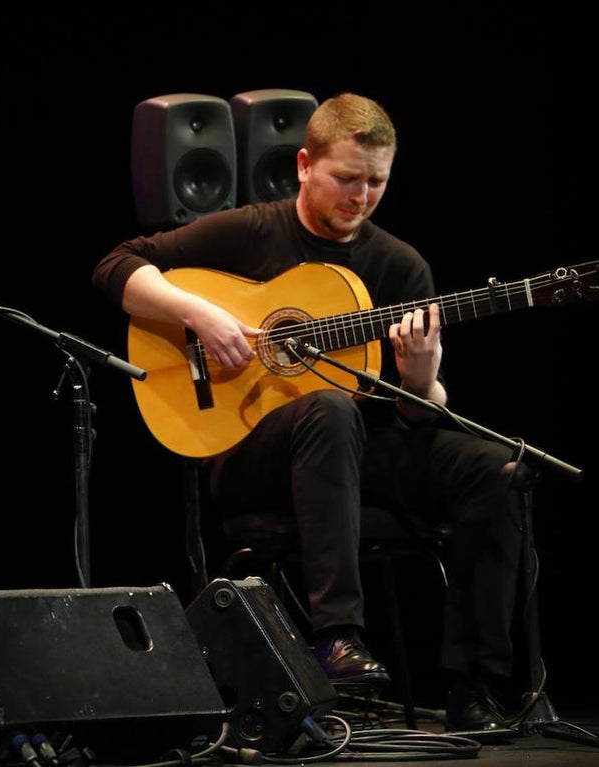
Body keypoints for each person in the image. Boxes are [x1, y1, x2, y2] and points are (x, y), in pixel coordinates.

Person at [93, 93, 525, 735]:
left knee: (499, 469)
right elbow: (115, 266)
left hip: (362, 452)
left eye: (376, 181)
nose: (362, 196)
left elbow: (415, 416)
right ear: (303, 165)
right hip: (253, 456)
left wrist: (422, 381)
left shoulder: (401, 267)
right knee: (327, 408)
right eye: (346, 178)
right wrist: (201, 314)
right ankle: (337, 637)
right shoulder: (250, 231)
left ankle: (475, 687)